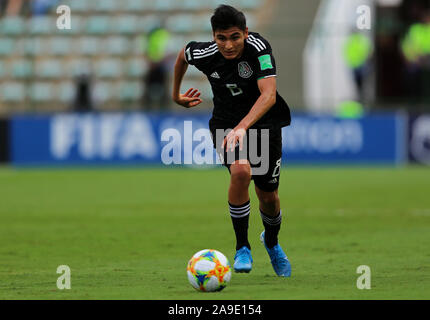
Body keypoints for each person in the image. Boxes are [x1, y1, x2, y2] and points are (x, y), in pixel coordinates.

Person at [172, 5, 292, 277]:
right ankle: (242, 247)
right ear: (213, 36)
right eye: (221, 38)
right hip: (226, 123)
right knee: (240, 171)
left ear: (246, 33)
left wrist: (243, 127)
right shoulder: (205, 53)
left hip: (264, 124)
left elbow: (268, 95)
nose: (228, 45)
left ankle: (271, 242)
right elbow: (182, 55)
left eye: (235, 37)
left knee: (268, 196)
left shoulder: (259, 49)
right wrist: (175, 95)